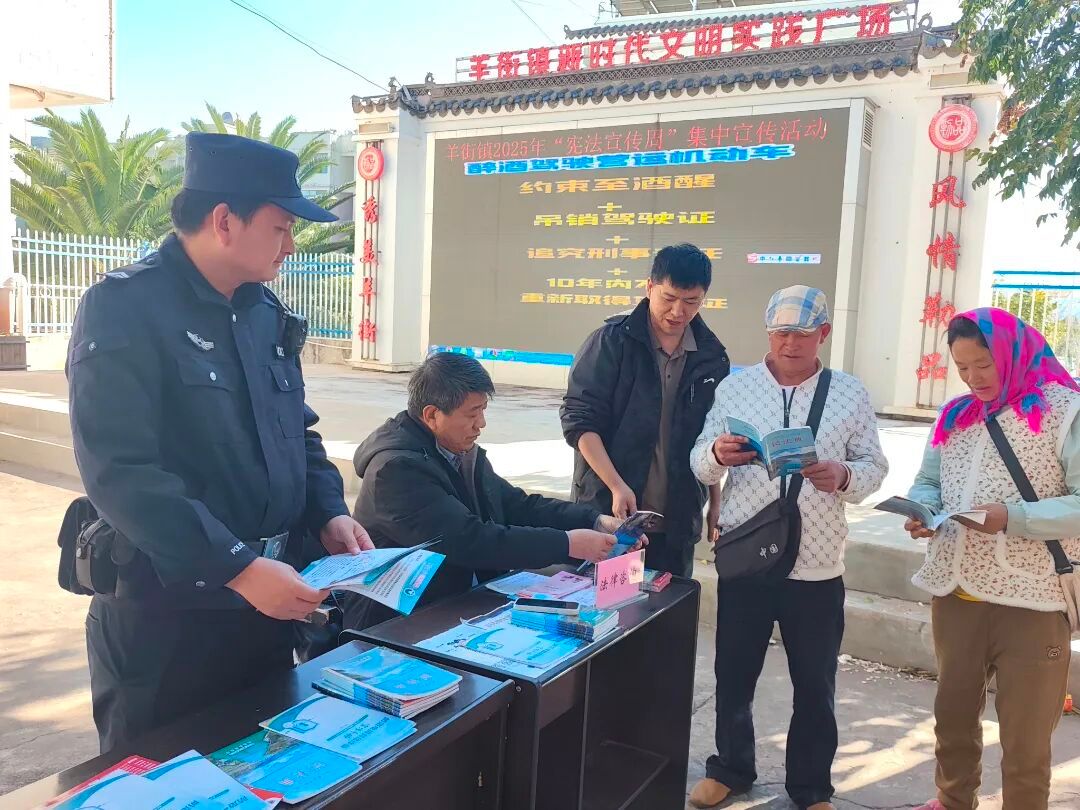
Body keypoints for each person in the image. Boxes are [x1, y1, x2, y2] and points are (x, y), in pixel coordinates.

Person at [67, 132, 373, 753]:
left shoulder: (265, 313)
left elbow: (297, 432)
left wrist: (329, 512)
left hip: (265, 609)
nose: (291, 245)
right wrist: (237, 567)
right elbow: (121, 472)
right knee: (160, 780)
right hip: (167, 621)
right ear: (225, 220)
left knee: (261, 771)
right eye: (281, 227)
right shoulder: (124, 307)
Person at [687, 285, 888, 810]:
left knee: (815, 684)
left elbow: (874, 467)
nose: (789, 344)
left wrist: (843, 475)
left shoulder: (849, 393)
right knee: (733, 674)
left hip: (816, 564)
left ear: (824, 333)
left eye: (801, 334)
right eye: (780, 333)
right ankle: (731, 768)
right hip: (747, 556)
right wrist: (717, 454)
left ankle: (811, 787)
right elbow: (698, 462)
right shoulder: (736, 388)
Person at [904, 309, 1080, 810]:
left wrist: (1012, 518)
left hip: (1033, 598)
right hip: (957, 591)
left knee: (1026, 736)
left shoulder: (1064, 411)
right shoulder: (956, 415)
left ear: (1012, 355)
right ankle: (952, 799)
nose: (973, 379)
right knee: (953, 716)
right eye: (962, 368)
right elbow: (929, 480)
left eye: (984, 365)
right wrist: (922, 510)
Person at [342, 352, 636, 631]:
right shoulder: (396, 470)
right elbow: (470, 540)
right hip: (397, 621)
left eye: (483, 410)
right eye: (472, 414)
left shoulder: (460, 452)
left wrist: (593, 521)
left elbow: (516, 505)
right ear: (432, 415)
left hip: (458, 600)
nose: (481, 424)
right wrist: (567, 544)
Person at [560, 243, 730, 577]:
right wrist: (616, 485)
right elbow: (580, 422)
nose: (678, 311)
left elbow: (712, 436)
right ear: (649, 287)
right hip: (612, 517)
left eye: (691, 301)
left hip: (678, 519)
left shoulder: (711, 356)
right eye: (669, 298)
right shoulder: (611, 342)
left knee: (668, 606)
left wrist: (715, 501)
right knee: (609, 604)